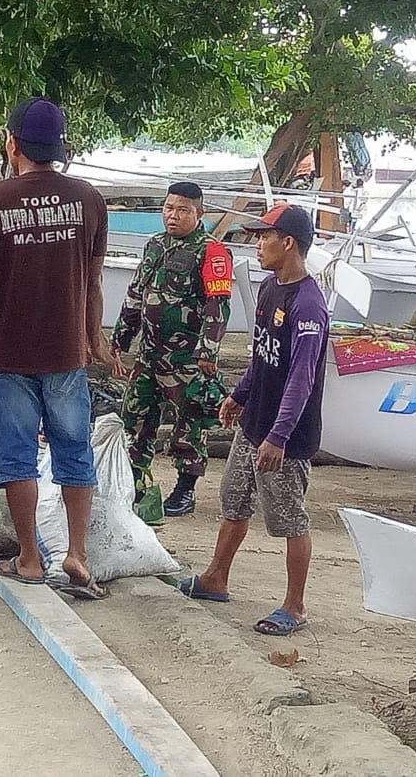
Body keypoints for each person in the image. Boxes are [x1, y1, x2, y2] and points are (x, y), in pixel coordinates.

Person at [0, 97, 113, 599]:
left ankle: (28, 557)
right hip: (67, 353)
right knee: (74, 450)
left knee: (17, 455)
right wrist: (93, 339)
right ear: (59, 148)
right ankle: (77, 554)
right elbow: (94, 282)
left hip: (8, 351)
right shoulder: (89, 199)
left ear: (13, 145)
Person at [180, 204, 328, 637]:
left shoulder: (308, 306)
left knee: (289, 518)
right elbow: (262, 355)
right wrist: (239, 395)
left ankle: (295, 606)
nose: (258, 245)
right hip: (255, 423)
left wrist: (279, 436)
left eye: (265, 237)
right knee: (234, 499)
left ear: (289, 243)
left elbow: (301, 379)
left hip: (286, 436)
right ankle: (216, 577)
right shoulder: (268, 287)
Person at [111, 182, 232, 517]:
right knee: (135, 418)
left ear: (199, 213)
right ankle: (133, 483)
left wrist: (208, 351)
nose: (173, 216)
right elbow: (135, 294)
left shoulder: (212, 252)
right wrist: (120, 340)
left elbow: (218, 305)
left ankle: (185, 488)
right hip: (149, 355)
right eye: (168, 208)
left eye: (182, 210)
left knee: (189, 424)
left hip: (187, 359)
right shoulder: (155, 245)